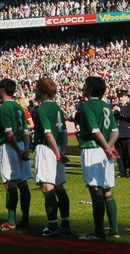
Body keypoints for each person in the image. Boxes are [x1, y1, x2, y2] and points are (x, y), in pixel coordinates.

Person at [78, 76, 120, 241]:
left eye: (85, 85)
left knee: (95, 189)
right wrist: (109, 147)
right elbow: (115, 131)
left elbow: (95, 130)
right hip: (105, 150)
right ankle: (114, 229)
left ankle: (99, 231)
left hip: (93, 149)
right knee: (107, 189)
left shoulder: (87, 106)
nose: (83, 87)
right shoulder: (106, 106)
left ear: (89, 89)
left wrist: (105, 147)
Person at [32, 78, 71, 237]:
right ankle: (65, 223)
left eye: (36, 88)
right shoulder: (58, 109)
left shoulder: (41, 109)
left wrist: (56, 153)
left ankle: (52, 225)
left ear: (41, 91)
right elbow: (65, 133)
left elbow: (48, 134)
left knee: (47, 187)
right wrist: (62, 151)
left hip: (47, 149)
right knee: (59, 187)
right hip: (59, 148)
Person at [0, 79, 32, 231]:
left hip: (10, 147)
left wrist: (17, 150)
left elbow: (9, 133)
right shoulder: (18, 107)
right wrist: (26, 150)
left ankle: (11, 221)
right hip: (22, 145)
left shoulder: (4, 108)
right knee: (23, 183)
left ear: (2, 90)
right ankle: (25, 219)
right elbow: (26, 131)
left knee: (10, 183)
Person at [112, 89, 130, 178]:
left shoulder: (128, 106)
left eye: (122, 96)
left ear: (126, 97)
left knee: (129, 154)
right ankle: (122, 172)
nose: (120, 98)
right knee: (119, 154)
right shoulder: (115, 106)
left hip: (127, 133)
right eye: (119, 96)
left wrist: (120, 111)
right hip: (118, 134)